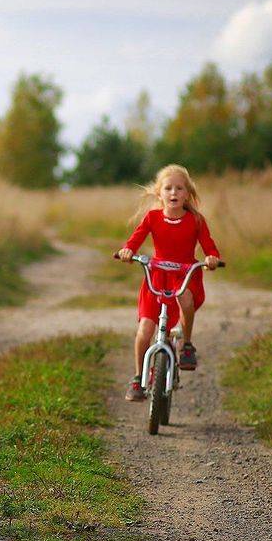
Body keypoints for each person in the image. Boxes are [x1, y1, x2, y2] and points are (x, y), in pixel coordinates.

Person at [114, 164, 222, 401]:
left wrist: (212, 258)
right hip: (157, 276)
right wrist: (128, 251)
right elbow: (135, 240)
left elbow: (209, 246)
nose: (174, 192)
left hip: (184, 276)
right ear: (159, 193)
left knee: (186, 299)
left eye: (179, 188)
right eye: (168, 188)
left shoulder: (196, 220)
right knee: (145, 330)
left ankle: (187, 345)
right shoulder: (152, 218)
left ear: (187, 194)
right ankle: (137, 378)